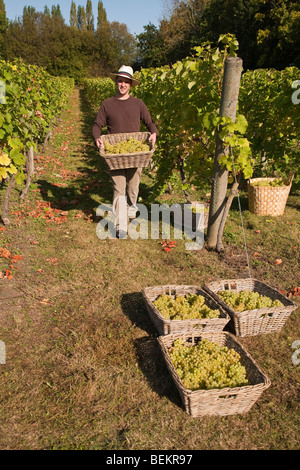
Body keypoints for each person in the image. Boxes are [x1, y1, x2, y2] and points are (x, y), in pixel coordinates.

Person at [92, 65, 158, 238]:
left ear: (130, 85)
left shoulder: (138, 104)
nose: (122, 85)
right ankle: (121, 225)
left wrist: (154, 133)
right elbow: (97, 125)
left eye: (126, 82)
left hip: (136, 153)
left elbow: (149, 123)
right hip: (115, 154)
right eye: (120, 81)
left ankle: (130, 210)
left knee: (133, 187)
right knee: (118, 188)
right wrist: (97, 137)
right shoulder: (107, 104)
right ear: (116, 82)